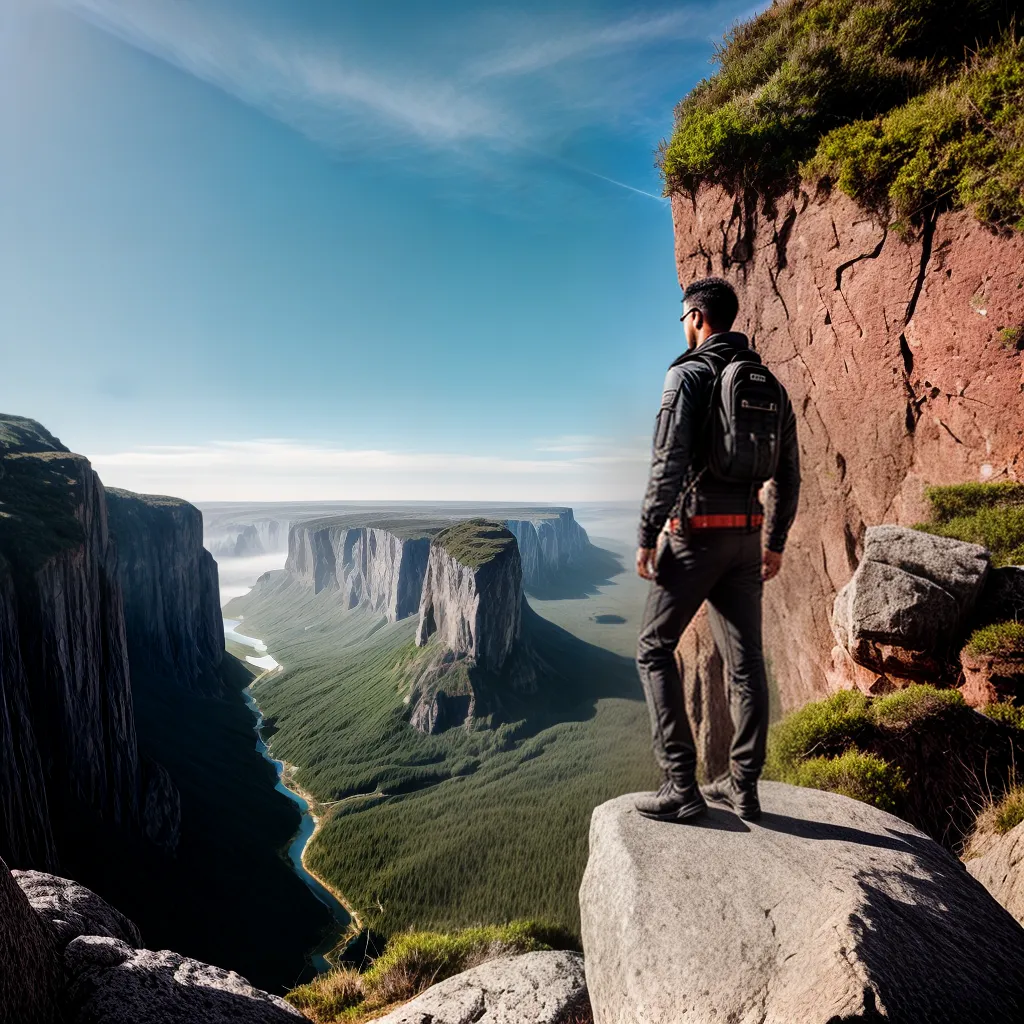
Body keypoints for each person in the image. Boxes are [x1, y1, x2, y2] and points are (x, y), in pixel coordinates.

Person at [633, 276, 799, 823]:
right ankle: (744, 786)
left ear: (698, 317)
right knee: (746, 661)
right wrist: (773, 542)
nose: (683, 326)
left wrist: (646, 534)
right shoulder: (769, 384)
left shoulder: (687, 375)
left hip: (696, 534)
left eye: (684, 317)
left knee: (654, 648)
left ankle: (681, 784)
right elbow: (789, 476)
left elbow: (667, 462)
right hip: (746, 539)